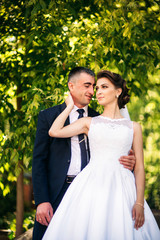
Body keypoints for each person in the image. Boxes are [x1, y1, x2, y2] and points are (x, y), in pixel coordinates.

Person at [42, 70, 160, 240]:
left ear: (118, 91)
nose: (98, 92)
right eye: (97, 88)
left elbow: (140, 167)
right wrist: (69, 106)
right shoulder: (89, 122)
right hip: (91, 186)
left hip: (123, 188)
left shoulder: (134, 127)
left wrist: (140, 202)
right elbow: (54, 131)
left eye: (104, 87)